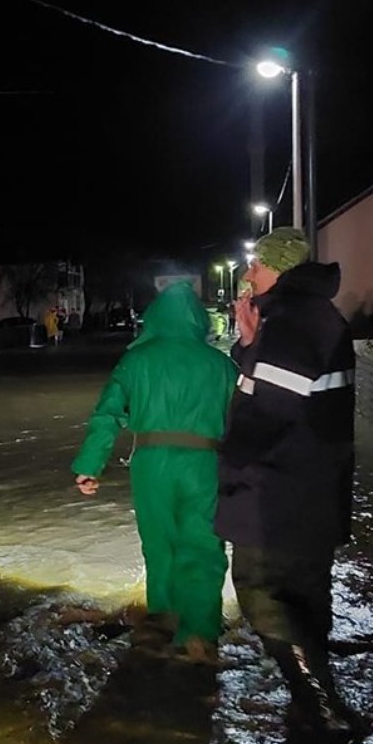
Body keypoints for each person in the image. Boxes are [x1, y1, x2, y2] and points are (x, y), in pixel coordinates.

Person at [216, 228, 362, 735]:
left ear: (279, 268)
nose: (249, 273)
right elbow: (282, 389)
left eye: (257, 264)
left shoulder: (296, 321)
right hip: (311, 491)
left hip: (278, 493)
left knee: (261, 593)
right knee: (303, 598)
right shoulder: (310, 318)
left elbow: (267, 412)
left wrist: (226, 466)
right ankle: (313, 709)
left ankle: (324, 709)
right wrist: (251, 345)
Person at [72, 281, 239, 662]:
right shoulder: (222, 364)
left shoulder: (136, 360)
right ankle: (200, 634)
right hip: (205, 463)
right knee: (203, 545)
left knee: (159, 544)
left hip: (151, 462)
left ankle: (163, 624)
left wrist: (89, 466)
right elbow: (242, 422)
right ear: (198, 320)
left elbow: (107, 415)